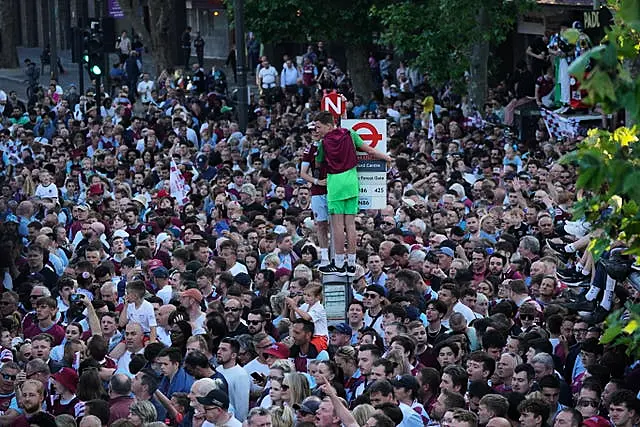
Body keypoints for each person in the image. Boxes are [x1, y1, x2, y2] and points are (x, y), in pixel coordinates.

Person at [315, 111, 391, 275]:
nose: (317, 131)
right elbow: (370, 150)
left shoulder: (323, 143)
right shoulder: (350, 134)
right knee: (350, 225)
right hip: (351, 183)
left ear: (329, 125)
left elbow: (318, 163)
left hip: (335, 184)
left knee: (337, 226)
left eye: (319, 127)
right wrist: (387, 158)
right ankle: (351, 262)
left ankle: (340, 264)